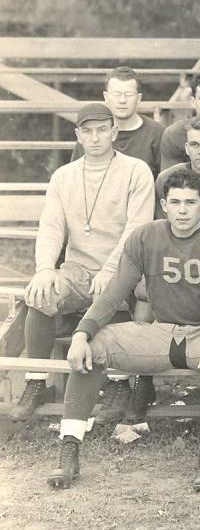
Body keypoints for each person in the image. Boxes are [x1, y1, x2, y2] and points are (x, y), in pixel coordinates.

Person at [47, 169, 200, 492]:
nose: (182, 210)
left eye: (190, 203)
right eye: (176, 202)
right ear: (164, 204)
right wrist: (82, 332)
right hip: (160, 331)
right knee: (95, 345)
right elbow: (113, 293)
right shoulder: (144, 237)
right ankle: (69, 445)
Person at [10, 104, 154, 423]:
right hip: (78, 270)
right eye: (87, 131)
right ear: (78, 135)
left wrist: (110, 271)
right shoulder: (64, 176)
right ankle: (38, 382)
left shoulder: (136, 170)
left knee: (111, 293)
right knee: (40, 295)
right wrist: (45, 269)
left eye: (102, 130)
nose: (95, 137)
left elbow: (137, 230)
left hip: (126, 269)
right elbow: (51, 226)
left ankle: (118, 386)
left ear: (114, 132)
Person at [73, 66, 164, 176]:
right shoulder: (92, 133)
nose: (122, 100)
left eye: (128, 95)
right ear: (106, 97)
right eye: (116, 94)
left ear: (139, 98)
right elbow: (75, 175)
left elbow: (165, 180)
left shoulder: (156, 132)